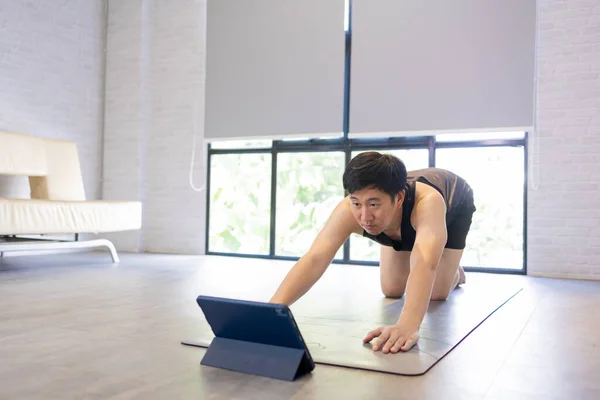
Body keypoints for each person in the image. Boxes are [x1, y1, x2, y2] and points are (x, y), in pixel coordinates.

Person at [269, 151, 476, 353]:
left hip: (453, 205)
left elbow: (425, 264)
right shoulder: (350, 209)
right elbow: (315, 258)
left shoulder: (428, 202)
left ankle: (454, 271)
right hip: (394, 224)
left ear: (399, 197)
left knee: (437, 292)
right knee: (392, 289)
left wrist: (406, 326)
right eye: (356, 203)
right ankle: (425, 249)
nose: (365, 217)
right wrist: (270, 312)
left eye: (374, 204)